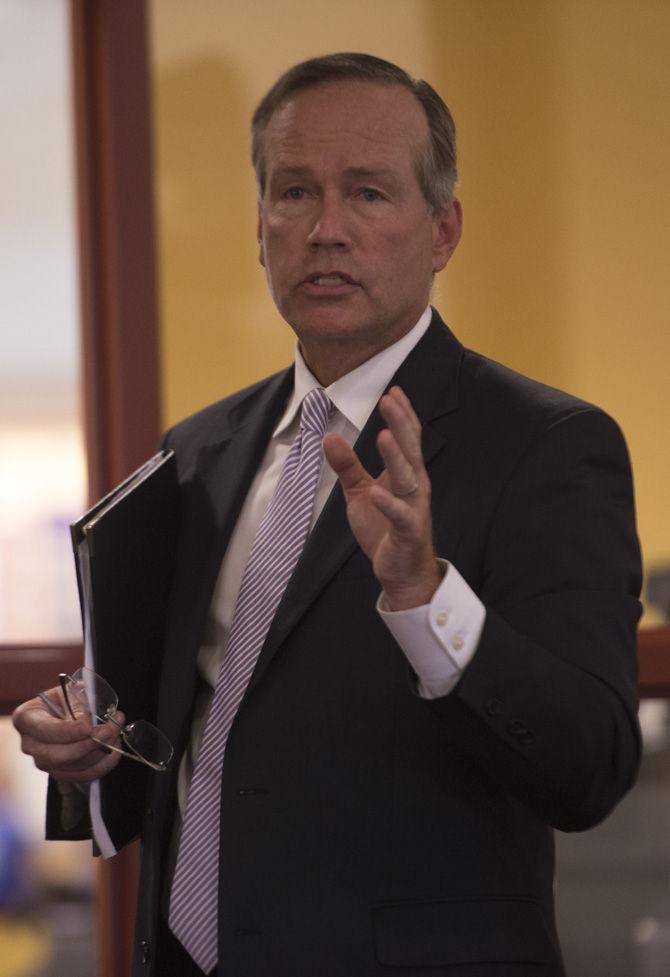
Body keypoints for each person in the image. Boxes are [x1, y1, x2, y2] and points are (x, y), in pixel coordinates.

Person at [13, 53, 642, 977]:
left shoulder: (546, 446)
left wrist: (427, 598)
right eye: (295, 192)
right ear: (260, 232)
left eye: (371, 194)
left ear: (443, 231)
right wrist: (88, 751)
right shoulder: (200, 450)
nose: (326, 230)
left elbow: (591, 767)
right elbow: (186, 733)